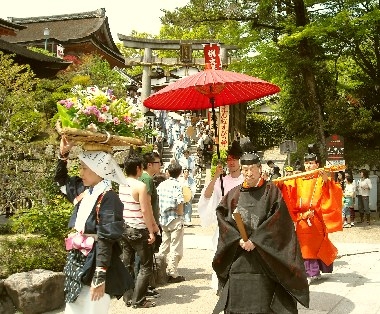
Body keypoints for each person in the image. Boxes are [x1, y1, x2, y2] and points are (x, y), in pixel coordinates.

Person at [212, 140, 309, 314]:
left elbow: (279, 221)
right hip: (239, 252)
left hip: (265, 253)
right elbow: (222, 217)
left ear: (259, 169)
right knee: (236, 293)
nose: (248, 174)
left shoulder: (271, 192)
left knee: (264, 297)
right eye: (245, 170)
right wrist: (237, 239)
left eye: (252, 169)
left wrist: (256, 240)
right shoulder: (233, 194)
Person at [55, 136, 133, 314]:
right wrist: (63, 154)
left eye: (84, 168)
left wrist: (100, 275)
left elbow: (106, 238)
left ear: (99, 170)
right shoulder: (84, 191)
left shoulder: (108, 198)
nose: (80, 173)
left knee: (93, 309)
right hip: (77, 259)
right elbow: (60, 181)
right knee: (73, 308)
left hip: (96, 262)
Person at [273, 144, 343, 285]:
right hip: (302, 217)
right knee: (305, 245)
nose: (308, 165)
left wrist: (325, 181)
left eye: (311, 163)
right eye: (307, 163)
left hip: (317, 217)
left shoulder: (321, 178)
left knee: (318, 243)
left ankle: (318, 270)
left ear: (317, 164)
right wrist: (279, 184)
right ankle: (310, 272)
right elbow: (287, 189)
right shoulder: (298, 178)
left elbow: (334, 191)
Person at [197, 140, 244, 290]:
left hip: (241, 222)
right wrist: (216, 176)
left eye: (234, 159)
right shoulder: (221, 180)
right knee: (221, 252)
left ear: (240, 161)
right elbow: (207, 195)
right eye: (229, 159)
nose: (231, 162)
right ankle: (221, 283)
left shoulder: (245, 179)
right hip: (224, 222)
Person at [119, 155, 159, 309]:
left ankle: (128, 298)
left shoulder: (122, 184)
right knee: (145, 266)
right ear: (138, 168)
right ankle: (139, 300)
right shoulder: (140, 186)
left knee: (127, 264)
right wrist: (151, 231)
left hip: (125, 229)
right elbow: (145, 210)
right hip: (138, 229)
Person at [156, 162, 185, 283]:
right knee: (175, 246)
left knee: (164, 245)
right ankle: (172, 273)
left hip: (163, 218)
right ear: (180, 173)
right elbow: (180, 201)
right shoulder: (177, 185)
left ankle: (158, 269)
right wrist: (180, 214)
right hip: (174, 217)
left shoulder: (161, 185)